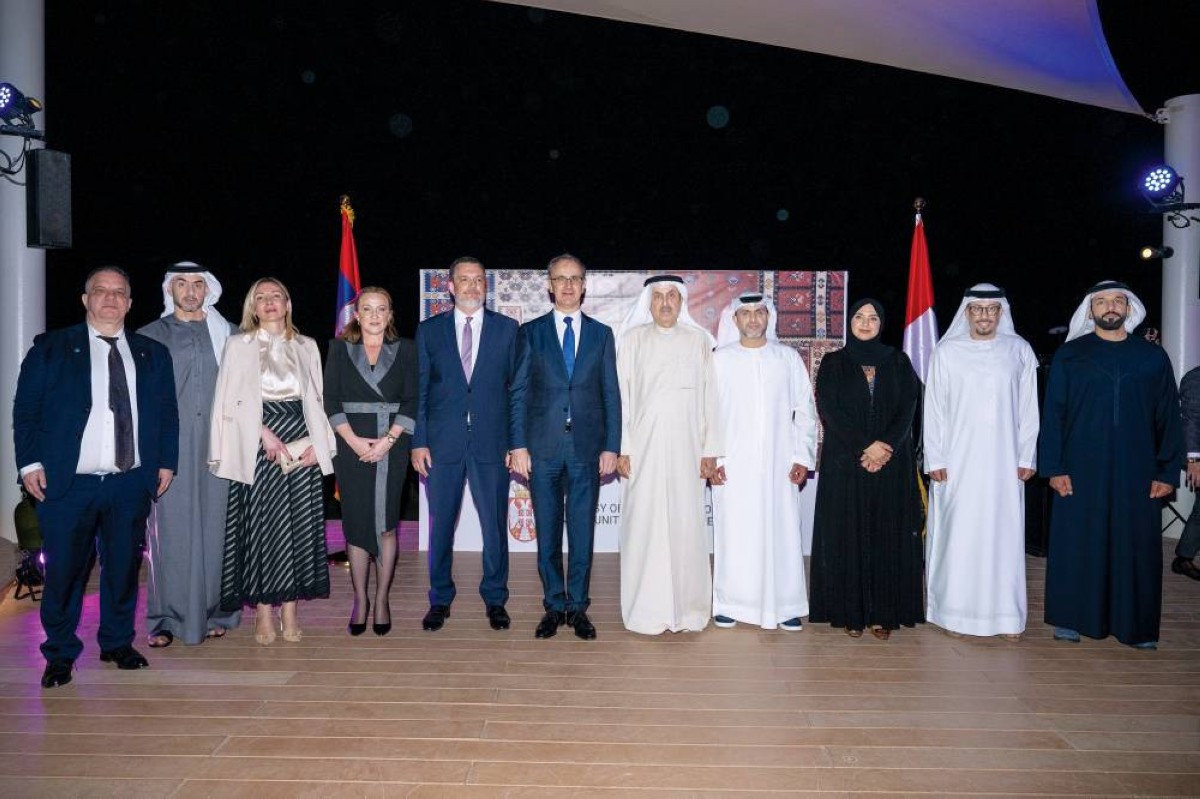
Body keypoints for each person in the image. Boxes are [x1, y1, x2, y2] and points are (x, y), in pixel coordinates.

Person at [14, 266, 179, 688]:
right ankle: (59, 653)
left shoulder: (152, 353)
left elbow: (166, 413)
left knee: (123, 569)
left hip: (129, 482)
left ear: (130, 302)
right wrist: (29, 464)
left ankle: (117, 643)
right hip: (68, 484)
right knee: (65, 573)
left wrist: (166, 461)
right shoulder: (52, 347)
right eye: (101, 291)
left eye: (119, 292)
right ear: (85, 299)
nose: (110, 298)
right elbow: (26, 410)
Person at [1040, 280, 1183, 649]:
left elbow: (1168, 416)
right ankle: (1071, 618)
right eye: (1102, 302)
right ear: (1091, 310)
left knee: (1135, 547)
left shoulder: (1152, 357)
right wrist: (1053, 468)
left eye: (1118, 301)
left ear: (1128, 308)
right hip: (1079, 468)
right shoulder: (1071, 355)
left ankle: (1136, 627)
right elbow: (1053, 415)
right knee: (1078, 542)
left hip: (1138, 469)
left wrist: (1167, 472)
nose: (1110, 307)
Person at [209, 277, 336, 645]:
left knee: (298, 527)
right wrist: (260, 433)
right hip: (259, 442)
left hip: (302, 441)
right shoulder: (238, 345)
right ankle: (264, 610)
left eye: (276, 296)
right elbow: (229, 398)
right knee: (263, 529)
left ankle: (290, 609)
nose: (269, 302)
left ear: (287, 303)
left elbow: (318, 399)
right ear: (252, 305)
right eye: (261, 297)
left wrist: (319, 445)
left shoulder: (307, 345)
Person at [510, 254, 621, 640]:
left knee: (582, 533)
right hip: (542, 449)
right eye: (561, 279)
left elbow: (611, 394)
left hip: (587, 449)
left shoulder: (602, 334)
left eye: (575, 279)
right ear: (549, 285)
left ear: (585, 285)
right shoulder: (531, 332)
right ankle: (554, 606)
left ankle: (578, 608)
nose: (568, 285)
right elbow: (518, 392)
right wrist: (517, 444)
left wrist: (612, 446)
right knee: (548, 533)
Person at [922, 284, 1039, 640]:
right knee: (959, 535)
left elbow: (1028, 409)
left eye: (991, 309)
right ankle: (954, 614)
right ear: (967, 312)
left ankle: (1006, 617)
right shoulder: (947, 352)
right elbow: (934, 409)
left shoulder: (1019, 350)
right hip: (957, 463)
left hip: (1005, 463)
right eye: (978, 308)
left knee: (1003, 537)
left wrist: (1026, 455)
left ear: (1001, 312)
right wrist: (936, 457)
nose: (985, 315)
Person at [411, 257, 518, 632]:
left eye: (479, 280)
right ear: (451, 287)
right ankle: (440, 598)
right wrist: (419, 441)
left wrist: (516, 443)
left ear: (486, 286)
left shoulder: (508, 329)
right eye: (464, 279)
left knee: (494, 526)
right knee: (441, 526)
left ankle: (495, 598)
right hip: (442, 445)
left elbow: (517, 391)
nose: (472, 286)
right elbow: (420, 391)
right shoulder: (429, 331)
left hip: (492, 443)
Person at [808, 298, 924, 640]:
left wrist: (884, 447)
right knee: (848, 535)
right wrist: (865, 446)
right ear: (850, 321)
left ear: (881, 323)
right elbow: (829, 409)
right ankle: (850, 612)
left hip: (892, 462)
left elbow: (908, 407)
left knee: (888, 534)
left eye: (873, 318)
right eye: (859, 316)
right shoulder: (833, 362)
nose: (865, 323)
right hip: (846, 462)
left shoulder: (899, 361)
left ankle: (883, 614)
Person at [138, 261, 240, 648]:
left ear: (208, 289)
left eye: (198, 283)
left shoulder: (231, 335)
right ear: (170, 290)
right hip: (169, 449)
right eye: (182, 283)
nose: (191, 291)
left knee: (218, 530)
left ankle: (215, 612)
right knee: (169, 534)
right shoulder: (149, 336)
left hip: (219, 446)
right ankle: (165, 618)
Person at [615, 275, 720, 635]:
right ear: (648, 301)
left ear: (681, 301)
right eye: (658, 296)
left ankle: (689, 610)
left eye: (671, 296)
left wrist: (710, 451)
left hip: (688, 452)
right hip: (642, 452)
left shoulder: (699, 341)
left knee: (686, 527)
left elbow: (710, 399)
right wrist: (623, 449)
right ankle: (646, 610)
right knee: (644, 528)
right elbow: (622, 399)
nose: (664, 303)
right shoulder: (632, 340)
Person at [709, 293, 816, 631]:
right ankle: (730, 603)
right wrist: (713, 458)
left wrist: (802, 456)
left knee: (781, 532)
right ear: (735, 320)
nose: (753, 319)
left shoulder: (787, 358)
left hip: (779, 464)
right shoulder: (719, 360)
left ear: (769, 318)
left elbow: (805, 410)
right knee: (734, 533)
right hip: (732, 464)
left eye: (759, 312)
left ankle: (785, 605)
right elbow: (708, 414)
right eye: (746, 313)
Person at [324, 287, 417, 636]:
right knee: (356, 522)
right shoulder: (338, 349)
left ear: (390, 314)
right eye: (368, 309)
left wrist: (388, 442)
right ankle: (360, 600)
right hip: (350, 444)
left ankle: (381, 600)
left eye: (381, 309)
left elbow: (412, 400)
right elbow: (330, 400)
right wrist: (352, 440)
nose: (375, 315)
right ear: (357, 315)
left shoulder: (406, 349)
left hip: (393, 445)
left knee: (387, 524)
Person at [1175, 366, 1200, 581]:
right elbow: (1190, 422)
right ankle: (1183, 558)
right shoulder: (1195, 378)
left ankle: (1183, 556)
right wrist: (1194, 461)